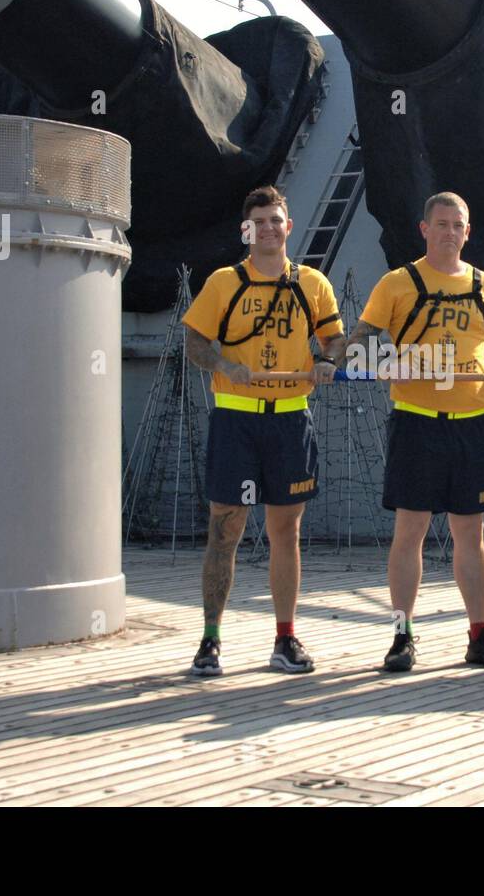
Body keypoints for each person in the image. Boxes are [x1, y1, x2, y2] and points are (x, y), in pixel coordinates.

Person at [344, 192, 484, 672]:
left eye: (459, 225)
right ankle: (401, 636)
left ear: (468, 233)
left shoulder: (483, 284)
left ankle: (479, 635)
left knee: (471, 532)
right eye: (442, 224)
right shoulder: (398, 283)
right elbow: (357, 346)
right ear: (424, 228)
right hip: (416, 422)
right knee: (410, 531)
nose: (450, 232)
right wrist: (390, 362)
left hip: (472, 423)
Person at [182, 186, 345, 676]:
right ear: (245, 231)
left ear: (288, 227)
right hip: (236, 418)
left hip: (291, 419)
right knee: (224, 530)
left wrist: (325, 360)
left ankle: (285, 638)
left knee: (285, 531)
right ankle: (210, 640)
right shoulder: (223, 283)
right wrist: (223, 364)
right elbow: (193, 341)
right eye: (260, 221)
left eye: (277, 219)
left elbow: (335, 338)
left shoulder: (312, 284)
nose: (269, 228)